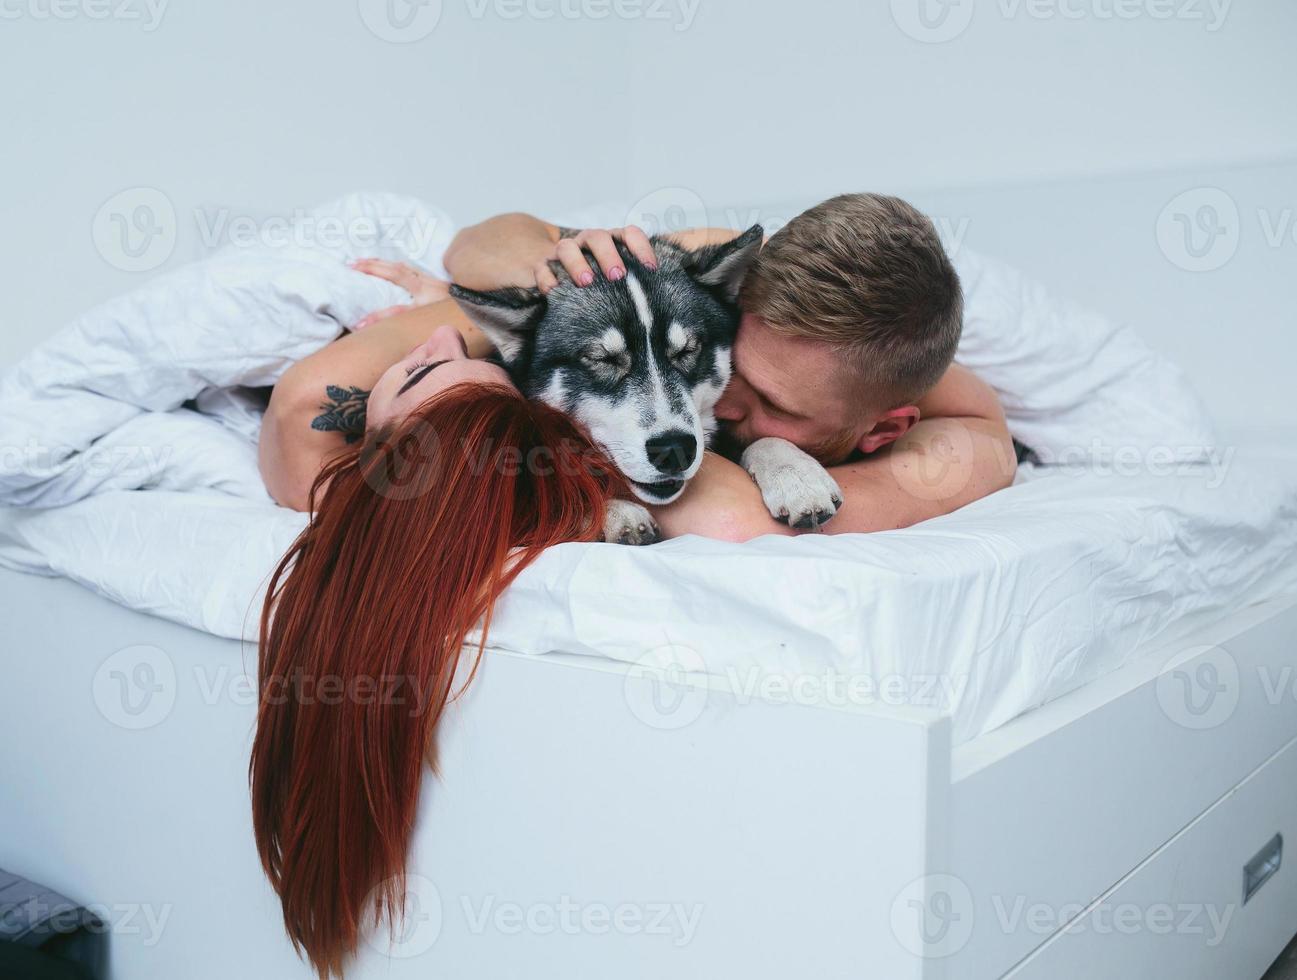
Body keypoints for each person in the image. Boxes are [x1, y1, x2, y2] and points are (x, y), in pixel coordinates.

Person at [251, 315, 628, 976]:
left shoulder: (331, 459)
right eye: (428, 359)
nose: (444, 337)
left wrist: (433, 307)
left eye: (420, 369)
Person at [443, 193, 1018, 537]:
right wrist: (546, 281)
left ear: (887, 429)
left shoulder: (895, 383)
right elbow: (479, 242)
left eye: (776, 405)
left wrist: (770, 453)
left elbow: (733, 520)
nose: (724, 404)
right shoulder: (712, 276)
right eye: (736, 368)